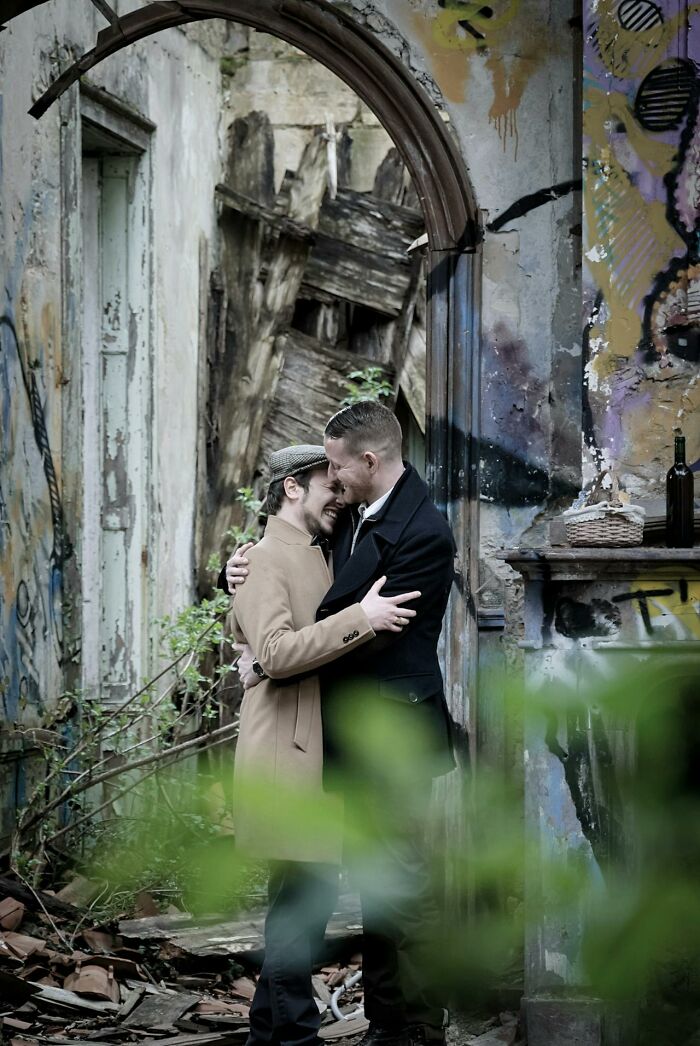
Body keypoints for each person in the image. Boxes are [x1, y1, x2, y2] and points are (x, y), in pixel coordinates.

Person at [226, 403, 456, 1046]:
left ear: (369, 462)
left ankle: (406, 1026)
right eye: (324, 476)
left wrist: (344, 615)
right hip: (310, 742)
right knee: (305, 894)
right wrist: (239, 573)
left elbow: (348, 630)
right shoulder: (336, 526)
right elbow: (281, 626)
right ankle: (287, 1033)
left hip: (383, 735)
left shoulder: (420, 531)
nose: (336, 485)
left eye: (338, 471)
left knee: (390, 888)